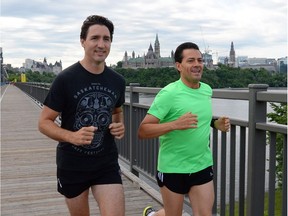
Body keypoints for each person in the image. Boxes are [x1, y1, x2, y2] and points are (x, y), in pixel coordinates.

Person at [38, 15, 126, 216]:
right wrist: (72, 136)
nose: (101, 44)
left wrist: (119, 125)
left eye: (106, 39)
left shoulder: (117, 81)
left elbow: (117, 111)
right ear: (83, 41)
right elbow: (44, 122)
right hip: (73, 164)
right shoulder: (65, 79)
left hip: (106, 163)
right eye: (95, 38)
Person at [138, 42, 230, 216]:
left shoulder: (207, 90)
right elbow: (143, 131)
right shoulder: (169, 94)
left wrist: (215, 123)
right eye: (191, 61)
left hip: (202, 164)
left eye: (200, 60)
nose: (197, 64)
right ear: (179, 66)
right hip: (173, 168)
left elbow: (199, 117)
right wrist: (174, 124)